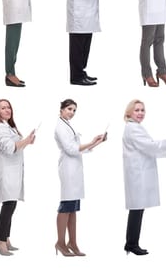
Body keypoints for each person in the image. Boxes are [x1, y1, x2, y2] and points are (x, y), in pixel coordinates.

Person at [122, 99, 166, 255]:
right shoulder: (132, 128)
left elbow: (147, 145)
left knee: (138, 210)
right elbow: (149, 146)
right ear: (129, 112)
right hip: (138, 174)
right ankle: (131, 244)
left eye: (142, 110)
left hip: (139, 172)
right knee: (136, 210)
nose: (140, 113)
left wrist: (164, 143)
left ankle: (131, 243)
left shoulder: (135, 127)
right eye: (137, 110)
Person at [53, 99, 105, 256]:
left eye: (74, 110)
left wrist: (97, 143)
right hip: (68, 169)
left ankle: (73, 243)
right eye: (69, 109)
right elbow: (71, 149)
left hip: (75, 168)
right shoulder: (60, 127)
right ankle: (60, 243)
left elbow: (79, 150)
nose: (72, 112)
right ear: (61, 109)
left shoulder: (69, 125)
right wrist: (90, 142)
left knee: (73, 209)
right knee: (66, 206)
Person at [0, 99, 36, 255]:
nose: (7, 110)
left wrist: (27, 141)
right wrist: (26, 141)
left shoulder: (9, 127)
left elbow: (17, 146)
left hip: (13, 170)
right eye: (3, 108)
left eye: (9, 107)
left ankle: (5, 238)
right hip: (6, 171)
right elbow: (9, 148)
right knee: (8, 205)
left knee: (12, 204)